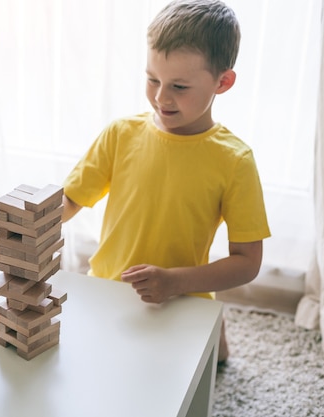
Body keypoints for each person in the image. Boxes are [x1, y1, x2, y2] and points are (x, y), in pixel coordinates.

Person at [61, 0, 270, 363]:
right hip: (107, 289)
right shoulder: (121, 134)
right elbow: (71, 200)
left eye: (179, 86)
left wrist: (174, 282)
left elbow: (247, 262)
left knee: (199, 371)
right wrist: (28, 222)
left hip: (181, 295)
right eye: (152, 79)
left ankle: (214, 336)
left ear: (223, 82)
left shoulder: (235, 160)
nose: (161, 98)